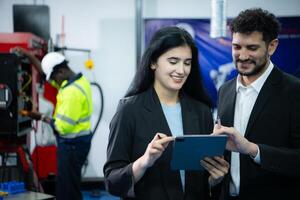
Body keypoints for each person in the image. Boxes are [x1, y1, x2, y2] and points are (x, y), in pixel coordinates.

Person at [103, 26, 229, 200]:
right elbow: (112, 182)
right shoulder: (129, 110)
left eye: (187, 63)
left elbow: (203, 180)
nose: (181, 70)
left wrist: (215, 179)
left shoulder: (202, 111)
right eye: (173, 61)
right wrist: (144, 161)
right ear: (153, 62)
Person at [212, 8, 300, 200]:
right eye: (236, 47)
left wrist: (252, 149)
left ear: (272, 46)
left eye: (251, 48)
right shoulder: (225, 90)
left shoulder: (294, 91)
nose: (242, 56)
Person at [21, 52, 93, 200]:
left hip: (71, 145)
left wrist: (41, 116)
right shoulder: (79, 81)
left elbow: (61, 127)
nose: (53, 81)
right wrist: (27, 54)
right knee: (71, 185)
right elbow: (44, 72)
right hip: (80, 141)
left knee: (67, 191)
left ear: (60, 71)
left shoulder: (71, 92)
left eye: (54, 78)